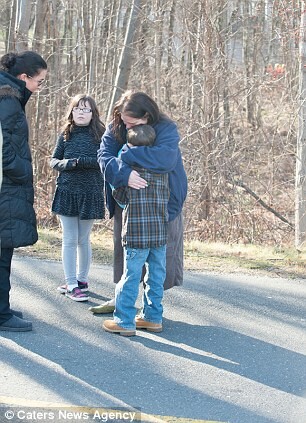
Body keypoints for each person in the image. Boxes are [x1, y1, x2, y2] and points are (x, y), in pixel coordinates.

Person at [90, 90, 188, 317]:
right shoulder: (116, 127)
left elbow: (165, 159)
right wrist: (124, 174)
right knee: (129, 255)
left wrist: (127, 153)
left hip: (164, 202)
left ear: (146, 117)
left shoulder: (167, 128)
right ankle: (123, 298)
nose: (125, 125)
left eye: (131, 122)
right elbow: (104, 156)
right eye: (123, 120)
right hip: (128, 203)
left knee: (160, 258)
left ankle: (151, 308)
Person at [103, 123, 168, 336]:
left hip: (136, 234)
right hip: (159, 234)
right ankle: (153, 317)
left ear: (129, 146)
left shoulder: (130, 173)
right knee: (156, 276)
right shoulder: (162, 172)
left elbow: (120, 198)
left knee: (130, 277)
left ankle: (124, 321)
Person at [0, 50, 47, 332]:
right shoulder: (8, 102)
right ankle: (2, 315)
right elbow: (6, 149)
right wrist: (24, 171)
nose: (40, 87)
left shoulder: (10, 97)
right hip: (6, 188)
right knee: (3, 252)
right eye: (39, 81)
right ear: (23, 77)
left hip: (7, 187)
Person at [50, 94, 105, 301]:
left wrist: (79, 161)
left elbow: (103, 161)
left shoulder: (101, 134)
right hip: (67, 192)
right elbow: (54, 160)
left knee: (83, 239)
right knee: (70, 239)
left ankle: (82, 280)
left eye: (86, 109)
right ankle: (71, 283)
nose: (81, 112)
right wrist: (67, 164)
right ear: (72, 112)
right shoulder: (65, 134)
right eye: (78, 109)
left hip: (90, 192)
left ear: (93, 113)